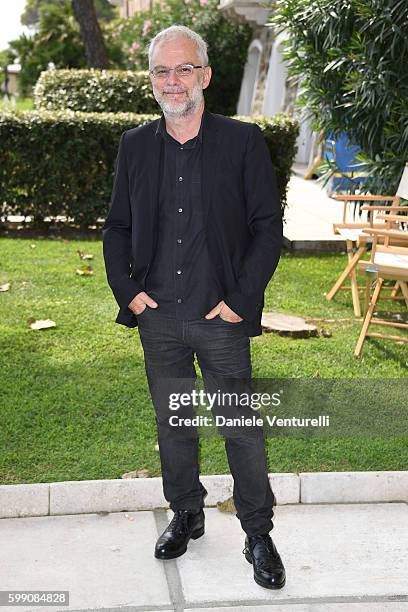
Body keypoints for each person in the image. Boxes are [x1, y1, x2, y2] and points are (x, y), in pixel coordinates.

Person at [102, 25, 285, 590]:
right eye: (162, 71)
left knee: (240, 426)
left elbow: (266, 228)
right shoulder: (135, 145)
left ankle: (257, 532)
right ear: (152, 80)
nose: (172, 81)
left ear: (204, 75)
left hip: (220, 317)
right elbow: (117, 228)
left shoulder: (241, 142)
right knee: (174, 424)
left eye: (184, 69)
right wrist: (128, 292)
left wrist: (240, 300)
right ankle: (187, 512)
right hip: (158, 318)